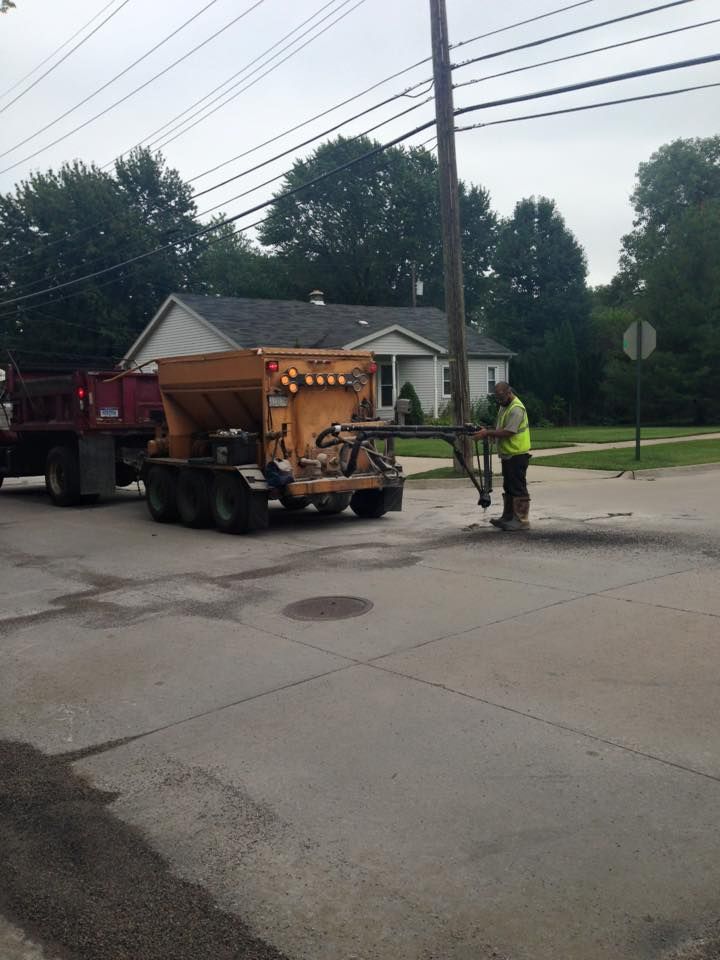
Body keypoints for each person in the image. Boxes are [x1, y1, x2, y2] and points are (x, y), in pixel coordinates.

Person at [473, 382, 531, 530]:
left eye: (501, 397)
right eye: (497, 398)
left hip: (517, 454)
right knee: (509, 486)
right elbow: (501, 428)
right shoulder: (504, 406)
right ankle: (508, 517)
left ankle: (521, 520)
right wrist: (491, 432)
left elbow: (509, 432)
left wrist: (487, 433)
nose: (499, 401)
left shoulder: (517, 409)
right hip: (508, 454)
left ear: (508, 392)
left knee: (518, 487)